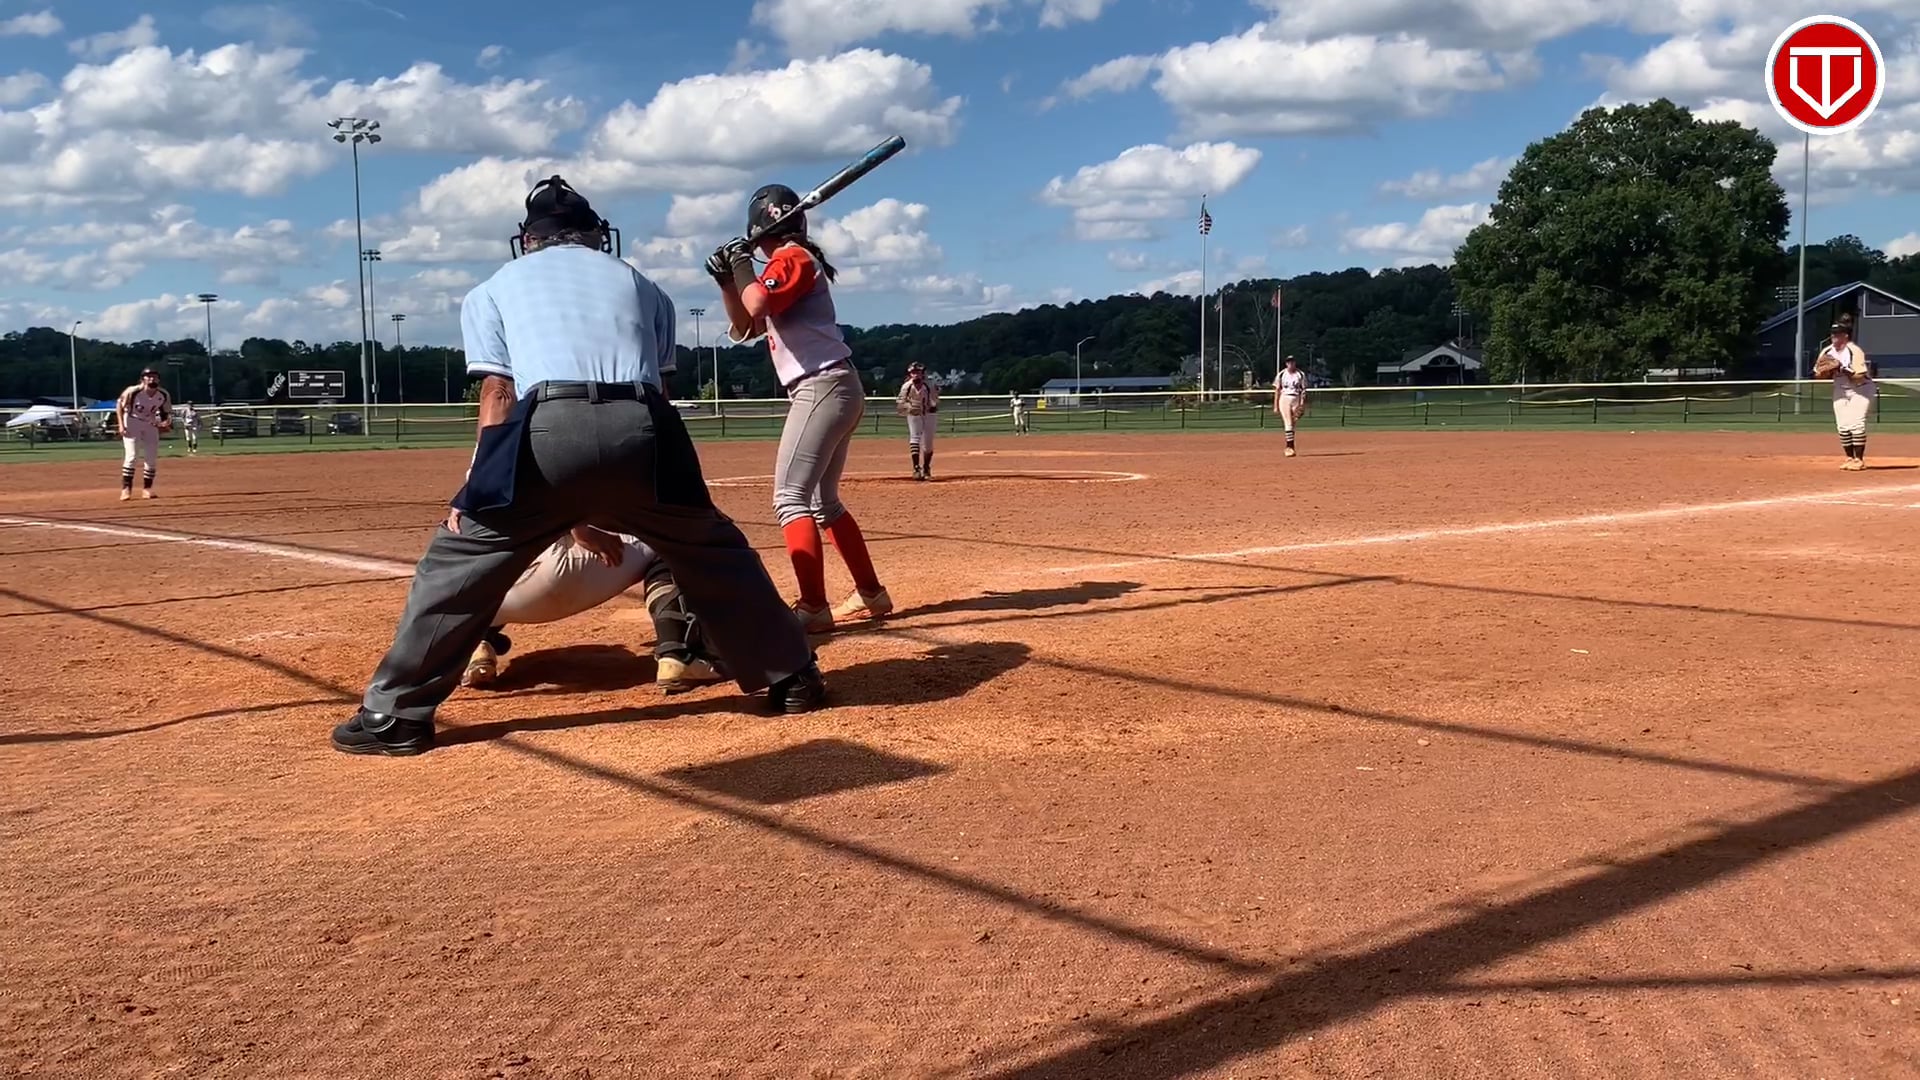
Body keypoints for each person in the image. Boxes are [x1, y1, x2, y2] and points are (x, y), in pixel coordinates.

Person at [331, 174, 824, 757]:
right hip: (645, 427)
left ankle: (396, 717)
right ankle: (792, 677)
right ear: (595, 235)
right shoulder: (643, 285)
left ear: (529, 239)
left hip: (546, 428)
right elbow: (660, 393)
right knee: (712, 548)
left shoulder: (493, 287)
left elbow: (498, 393)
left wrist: (477, 487)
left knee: (457, 563)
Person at [710, 184, 892, 635]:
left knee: (790, 499)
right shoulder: (788, 260)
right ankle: (871, 593)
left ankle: (812, 606)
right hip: (834, 386)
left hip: (821, 385)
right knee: (822, 502)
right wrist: (728, 280)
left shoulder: (792, 257)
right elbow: (746, 324)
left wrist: (740, 263)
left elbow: (758, 302)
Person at [460, 525, 726, 694]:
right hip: (558, 572)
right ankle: (676, 654)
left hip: (483, 594)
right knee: (679, 534)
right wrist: (581, 529)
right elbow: (559, 479)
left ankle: (474, 642)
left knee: (492, 551)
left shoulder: (484, 457)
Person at [1813, 315, 1874, 470]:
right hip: (1840, 389)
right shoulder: (1827, 351)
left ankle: (1859, 460)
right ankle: (1849, 458)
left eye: (1838, 334)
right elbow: (1818, 375)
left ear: (1845, 336)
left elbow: (1859, 377)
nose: (1834, 337)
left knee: (1857, 423)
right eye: (1833, 334)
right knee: (1842, 425)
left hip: (1861, 389)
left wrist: (1842, 368)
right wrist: (1825, 372)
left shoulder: (1854, 351)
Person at [116, 367, 171, 500]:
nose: (152, 379)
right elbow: (119, 406)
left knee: (151, 458)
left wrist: (166, 423)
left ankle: (147, 489)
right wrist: (121, 425)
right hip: (132, 421)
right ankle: (126, 489)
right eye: (148, 376)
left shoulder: (163, 394)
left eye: (155, 377)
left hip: (150, 423)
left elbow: (166, 412)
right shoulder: (133, 391)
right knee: (132, 456)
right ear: (143, 379)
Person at [896, 361, 940, 480]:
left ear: (922, 373)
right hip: (914, 414)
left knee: (928, 444)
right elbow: (900, 402)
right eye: (913, 372)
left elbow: (935, 400)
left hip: (929, 414)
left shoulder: (929, 384)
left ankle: (926, 467)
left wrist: (932, 406)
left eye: (918, 372)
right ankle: (916, 468)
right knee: (914, 438)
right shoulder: (907, 386)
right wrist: (909, 407)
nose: (915, 375)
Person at [1273, 355, 1307, 457]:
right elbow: (1277, 390)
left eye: (1292, 362)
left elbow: (1303, 390)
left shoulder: (1300, 374)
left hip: (1296, 398)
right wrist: (1275, 405)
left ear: (1295, 363)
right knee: (1288, 423)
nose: (1290, 364)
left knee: (1293, 424)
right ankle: (1289, 447)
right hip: (1284, 398)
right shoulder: (1281, 374)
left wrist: (1302, 403)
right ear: (1286, 364)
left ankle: (1290, 446)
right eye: (1288, 362)